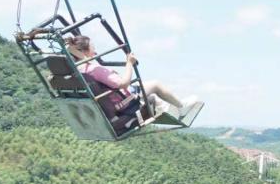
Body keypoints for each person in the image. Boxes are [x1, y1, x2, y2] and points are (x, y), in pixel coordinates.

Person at [64, 34, 200, 120]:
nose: (95, 51)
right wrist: (129, 63)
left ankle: (167, 109)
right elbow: (123, 83)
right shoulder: (95, 69)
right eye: (92, 48)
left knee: (150, 95)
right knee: (155, 85)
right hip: (123, 101)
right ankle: (181, 107)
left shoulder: (79, 70)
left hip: (112, 101)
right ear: (85, 52)